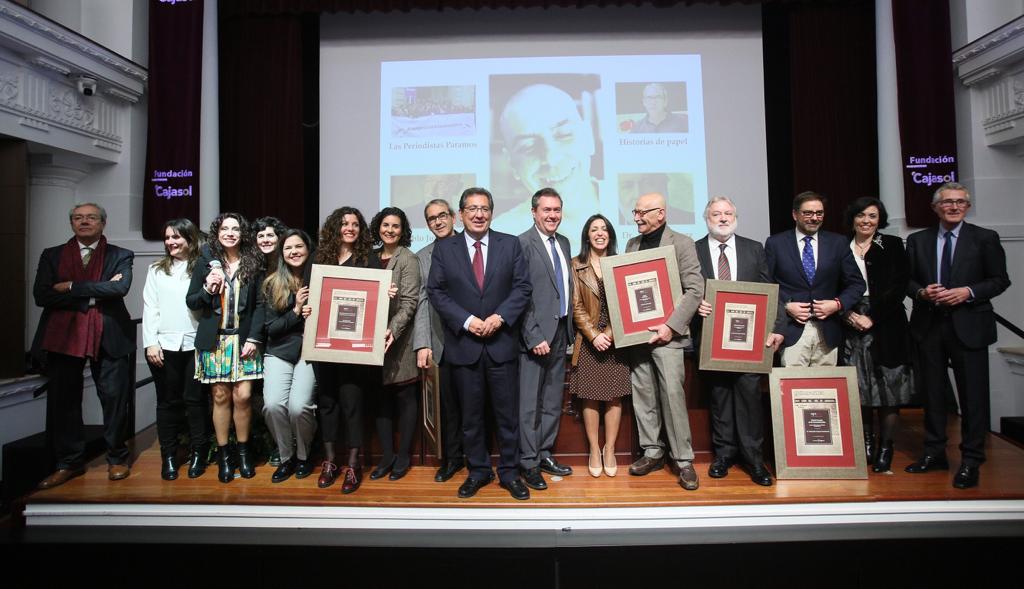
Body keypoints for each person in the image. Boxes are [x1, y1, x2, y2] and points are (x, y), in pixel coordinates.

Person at [427, 187, 533, 500]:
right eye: (472, 209)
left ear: (492, 212)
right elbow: (436, 292)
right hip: (464, 347)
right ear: (461, 214)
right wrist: (467, 321)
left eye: (484, 208)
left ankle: (510, 474)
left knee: (507, 417)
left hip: (501, 344)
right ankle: (478, 471)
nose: (478, 214)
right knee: (470, 418)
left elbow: (522, 288)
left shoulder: (510, 244)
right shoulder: (446, 250)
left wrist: (500, 318)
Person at [904, 182, 1010, 489]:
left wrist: (969, 292)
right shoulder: (918, 240)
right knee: (934, 396)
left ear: (967, 207)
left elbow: (1000, 280)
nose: (954, 207)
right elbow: (907, 281)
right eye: (948, 202)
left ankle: (971, 460)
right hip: (930, 327)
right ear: (935, 207)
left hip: (970, 326)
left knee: (973, 398)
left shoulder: (984, 238)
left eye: (960, 202)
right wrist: (922, 292)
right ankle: (934, 452)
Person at [33, 203, 135, 488]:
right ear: (71, 224)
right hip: (62, 336)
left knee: (114, 398)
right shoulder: (52, 256)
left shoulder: (120, 255)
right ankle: (69, 462)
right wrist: (97, 291)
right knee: (64, 400)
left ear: (103, 223)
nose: (84, 222)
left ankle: (116, 457)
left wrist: (70, 287)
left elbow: (119, 289)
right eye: (78, 218)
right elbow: (42, 295)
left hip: (109, 335)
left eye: (91, 217)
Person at [693, 197, 783, 486]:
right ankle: (724, 455)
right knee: (720, 399)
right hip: (711, 339)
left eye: (727, 213)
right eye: (716, 213)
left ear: (735, 216)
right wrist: (696, 304)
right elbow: (685, 289)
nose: (722, 218)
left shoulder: (753, 249)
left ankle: (754, 460)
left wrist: (775, 328)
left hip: (750, 339)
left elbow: (769, 291)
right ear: (706, 217)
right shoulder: (693, 251)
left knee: (749, 398)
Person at [625, 192, 704, 490]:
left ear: (661, 213)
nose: (636, 218)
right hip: (638, 336)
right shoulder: (631, 244)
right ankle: (653, 451)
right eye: (634, 212)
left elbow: (695, 290)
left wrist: (671, 326)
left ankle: (683, 460)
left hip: (668, 336)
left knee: (672, 394)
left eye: (642, 213)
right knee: (643, 393)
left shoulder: (682, 243)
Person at [187, 212, 265, 483]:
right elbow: (192, 301)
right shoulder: (206, 263)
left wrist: (255, 338)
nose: (230, 233)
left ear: (242, 233)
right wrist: (208, 290)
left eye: (235, 229)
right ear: (217, 233)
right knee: (220, 397)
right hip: (215, 340)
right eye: (225, 228)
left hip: (244, 341)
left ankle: (243, 452)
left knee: (243, 396)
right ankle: (224, 456)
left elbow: (260, 306)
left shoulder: (254, 263)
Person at [839, 198, 914, 474]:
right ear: (853, 218)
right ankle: (866, 443)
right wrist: (846, 314)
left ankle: (886, 447)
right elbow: (831, 284)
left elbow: (900, 285)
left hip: (886, 322)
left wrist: (873, 316)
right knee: (859, 387)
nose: (866, 221)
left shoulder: (891, 245)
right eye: (861, 215)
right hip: (850, 320)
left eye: (872, 216)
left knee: (889, 388)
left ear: (879, 219)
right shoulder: (840, 246)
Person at [312, 207, 379, 493]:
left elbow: (376, 299)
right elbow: (310, 295)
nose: (349, 228)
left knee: (352, 403)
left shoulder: (369, 259)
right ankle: (330, 461)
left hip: (354, 348)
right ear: (334, 228)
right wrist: (304, 303)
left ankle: (353, 463)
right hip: (323, 344)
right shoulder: (320, 258)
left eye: (354, 224)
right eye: (344, 223)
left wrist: (385, 294)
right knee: (327, 402)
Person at [765, 191, 865, 367]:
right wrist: (786, 306)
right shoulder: (775, 243)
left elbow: (857, 284)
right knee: (792, 388)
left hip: (828, 331)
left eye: (819, 213)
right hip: (791, 330)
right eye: (808, 213)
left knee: (825, 389)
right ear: (795, 214)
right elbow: (766, 285)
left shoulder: (838, 243)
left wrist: (837, 304)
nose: (814, 218)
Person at [517, 187, 574, 490]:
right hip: (535, 339)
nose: (552, 215)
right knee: (529, 404)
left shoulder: (563, 242)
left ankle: (544, 453)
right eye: (546, 210)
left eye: (556, 210)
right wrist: (532, 335)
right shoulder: (522, 244)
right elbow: (519, 296)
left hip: (561, 333)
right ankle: (528, 462)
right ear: (534, 212)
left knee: (552, 401)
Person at [142, 218, 207, 481]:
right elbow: (150, 307)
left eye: (176, 237)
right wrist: (150, 343)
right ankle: (168, 457)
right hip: (164, 345)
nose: (171, 242)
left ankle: (198, 454)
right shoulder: (156, 269)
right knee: (167, 403)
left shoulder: (203, 268)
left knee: (195, 402)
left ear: (190, 239)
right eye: (168, 238)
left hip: (195, 344)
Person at [568, 214, 631, 478]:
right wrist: (594, 335)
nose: (599, 233)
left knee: (614, 396)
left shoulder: (621, 263)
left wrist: (612, 333)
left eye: (604, 229)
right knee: (590, 396)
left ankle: (610, 449)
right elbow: (575, 305)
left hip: (617, 339)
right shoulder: (576, 265)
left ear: (611, 234)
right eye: (594, 229)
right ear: (587, 236)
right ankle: (594, 449)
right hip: (589, 340)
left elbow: (629, 302)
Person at [495, 84, 599, 233]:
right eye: (529, 146)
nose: (552, 159)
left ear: (588, 138)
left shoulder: (633, 207)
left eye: (564, 134)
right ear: (511, 163)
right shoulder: (502, 235)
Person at [368, 207, 421, 482]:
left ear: (403, 231)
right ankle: (386, 456)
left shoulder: (408, 259)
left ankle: (402, 457)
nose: (390, 230)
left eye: (396, 226)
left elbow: (410, 302)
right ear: (378, 227)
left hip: (398, 342)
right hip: (369, 341)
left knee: (404, 399)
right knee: (381, 401)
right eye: (386, 224)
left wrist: (391, 330)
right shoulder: (368, 258)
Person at [413, 198, 464, 482]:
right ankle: (452, 458)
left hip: (475, 339)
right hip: (441, 342)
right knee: (448, 407)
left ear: (453, 217)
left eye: (442, 215)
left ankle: (476, 457)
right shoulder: (423, 256)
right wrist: (423, 342)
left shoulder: (471, 245)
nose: (438, 222)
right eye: (432, 219)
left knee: (476, 403)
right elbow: (422, 301)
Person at [260, 229, 317, 483]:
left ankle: (304, 456)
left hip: (310, 352)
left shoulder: (321, 277)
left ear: (308, 248)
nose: (294, 252)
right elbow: (270, 329)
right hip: (279, 353)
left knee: (298, 406)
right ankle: (286, 458)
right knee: (273, 405)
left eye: (299, 247)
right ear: (282, 254)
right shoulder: (272, 283)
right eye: (288, 248)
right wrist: (296, 311)